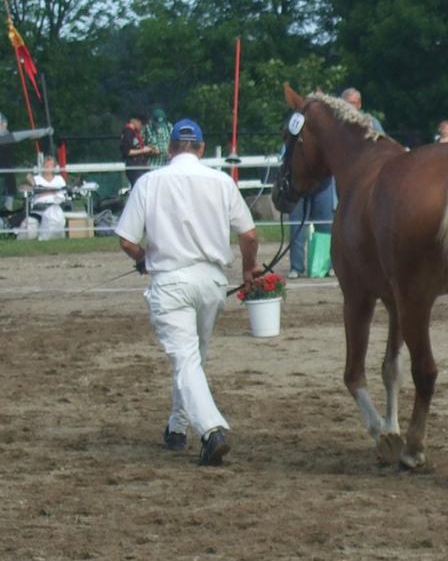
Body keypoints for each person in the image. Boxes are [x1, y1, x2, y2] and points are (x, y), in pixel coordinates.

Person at [116, 118, 260, 467]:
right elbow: (249, 236)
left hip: (170, 280)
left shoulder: (150, 182)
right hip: (211, 281)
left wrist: (143, 259)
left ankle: (212, 431)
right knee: (193, 359)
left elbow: (126, 239)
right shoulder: (222, 182)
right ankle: (177, 428)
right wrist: (248, 269)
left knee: (185, 360)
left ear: (168, 149)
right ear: (200, 147)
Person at [288, 177, 335, 279]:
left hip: (323, 183)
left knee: (326, 227)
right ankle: (296, 267)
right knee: (296, 227)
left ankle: (327, 265)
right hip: (298, 184)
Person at [27, 155, 68, 240]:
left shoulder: (59, 179)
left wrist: (45, 192)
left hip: (57, 205)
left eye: (50, 166)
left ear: (54, 167)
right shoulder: (37, 179)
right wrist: (53, 191)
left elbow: (63, 192)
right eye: (45, 166)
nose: (47, 168)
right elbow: (28, 180)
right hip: (41, 206)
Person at [120, 113, 158, 187]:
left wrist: (148, 150)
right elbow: (126, 151)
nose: (142, 126)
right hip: (133, 166)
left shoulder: (136, 132)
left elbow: (137, 147)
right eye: (141, 123)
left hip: (140, 164)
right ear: (134, 120)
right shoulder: (128, 132)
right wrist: (143, 150)